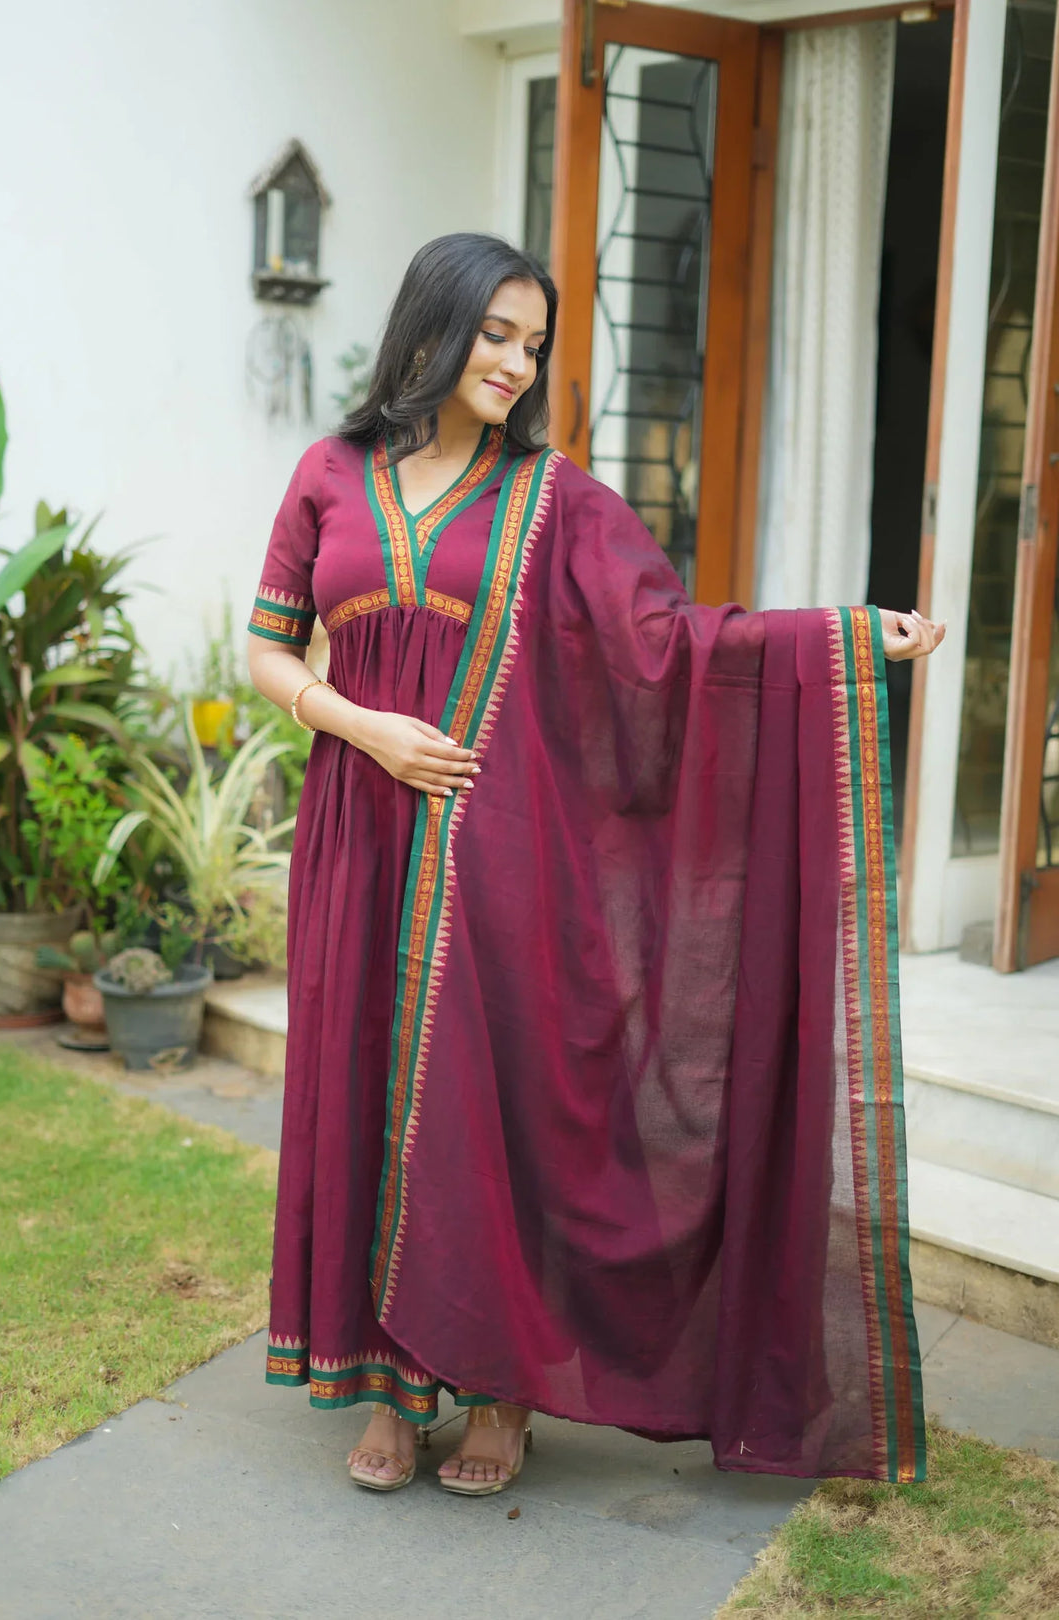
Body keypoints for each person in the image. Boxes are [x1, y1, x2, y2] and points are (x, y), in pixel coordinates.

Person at [247, 233, 945, 1498]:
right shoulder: (330, 475)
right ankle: (389, 1388)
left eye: (534, 344)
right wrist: (363, 727)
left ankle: (500, 1392)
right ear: (430, 328)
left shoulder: (554, 499)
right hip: (358, 833)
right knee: (359, 1085)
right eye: (496, 334)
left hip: (501, 855)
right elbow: (270, 648)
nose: (517, 363)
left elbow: (669, 642)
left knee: (497, 1110)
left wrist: (837, 641)